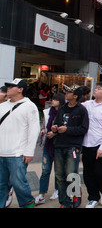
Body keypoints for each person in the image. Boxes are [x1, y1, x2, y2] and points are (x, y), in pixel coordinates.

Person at [0, 79, 40, 208]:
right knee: (1, 184)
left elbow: (34, 130)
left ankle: (27, 203)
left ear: (20, 89)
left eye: (11, 86)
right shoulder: (2, 106)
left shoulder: (29, 106)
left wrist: (29, 152)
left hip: (17, 153)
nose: (8, 88)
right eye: (8, 86)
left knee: (18, 183)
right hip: (1, 152)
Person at [50, 85, 89, 208]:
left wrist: (67, 129)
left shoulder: (82, 110)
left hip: (73, 146)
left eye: (68, 92)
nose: (65, 94)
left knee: (71, 173)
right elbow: (56, 122)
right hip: (59, 145)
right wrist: (54, 128)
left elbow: (83, 128)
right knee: (59, 175)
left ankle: (76, 194)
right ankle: (65, 202)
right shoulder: (62, 108)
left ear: (75, 96)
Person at [81, 81, 102, 208]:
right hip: (87, 144)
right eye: (95, 88)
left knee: (101, 171)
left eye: (99, 89)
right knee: (88, 172)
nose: (95, 90)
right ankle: (93, 197)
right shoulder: (88, 105)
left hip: (101, 144)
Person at [35, 92, 66, 205]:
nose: (53, 101)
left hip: (59, 145)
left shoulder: (64, 112)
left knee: (58, 170)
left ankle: (57, 190)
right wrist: (43, 131)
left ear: (61, 101)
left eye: (55, 99)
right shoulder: (47, 112)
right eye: (53, 99)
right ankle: (41, 194)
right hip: (48, 144)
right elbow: (43, 125)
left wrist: (55, 134)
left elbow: (66, 129)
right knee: (45, 170)